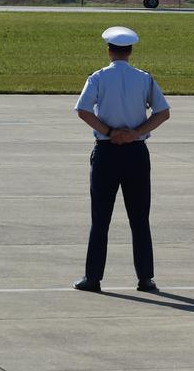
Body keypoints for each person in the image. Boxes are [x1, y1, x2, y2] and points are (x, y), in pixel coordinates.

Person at [72, 25, 171, 294]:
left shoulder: (98, 78)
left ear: (109, 51)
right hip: (136, 153)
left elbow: (83, 110)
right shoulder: (144, 79)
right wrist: (136, 133)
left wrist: (109, 132)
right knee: (139, 218)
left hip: (107, 152)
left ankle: (93, 278)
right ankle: (145, 278)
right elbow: (163, 112)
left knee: (100, 219)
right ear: (130, 51)